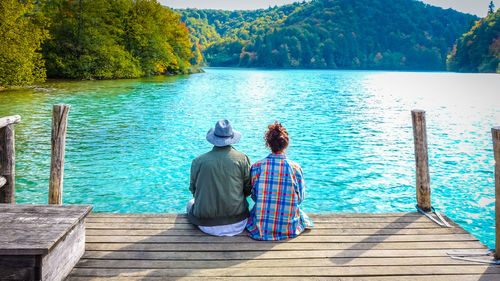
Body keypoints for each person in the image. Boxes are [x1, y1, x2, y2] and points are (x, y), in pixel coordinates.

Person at [246, 121, 313, 240]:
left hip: (262, 226)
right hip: (289, 226)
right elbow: (300, 199)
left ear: (268, 144)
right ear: (286, 144)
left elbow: (255, 196)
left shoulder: (257, 166)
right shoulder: (295, 168)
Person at [187, 119, 251, 236]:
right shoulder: (242, 158)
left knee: (190, 203)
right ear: (231, 137)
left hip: (206, 225)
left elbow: (194, 190)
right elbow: (248, 189)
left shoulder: (198, 161)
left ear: (214, 138)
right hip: (238, 222)